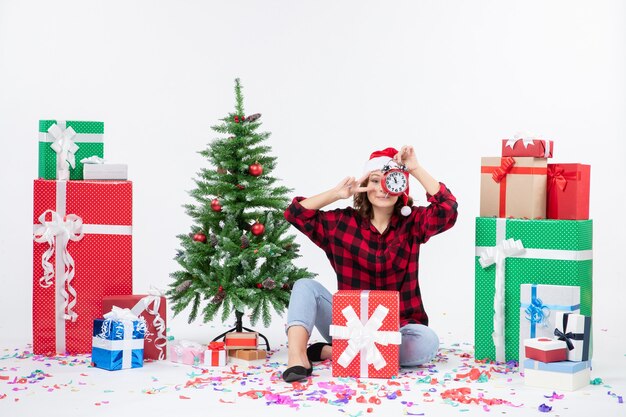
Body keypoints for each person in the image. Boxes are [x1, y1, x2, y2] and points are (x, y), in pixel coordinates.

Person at [281, 145, 458, 382]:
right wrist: (337, 193)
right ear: (365, 186)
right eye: (375, 181)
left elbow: (448, 210)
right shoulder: (341, 223)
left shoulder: (413, 222)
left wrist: (415, 169)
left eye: (391, 181)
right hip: (349, 327)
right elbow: (295, 214)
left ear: (401, 187)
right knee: (304, 286)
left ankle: (334, 353)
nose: (382, 189)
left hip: (397, 329)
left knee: (427, 343)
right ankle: (298, 357)